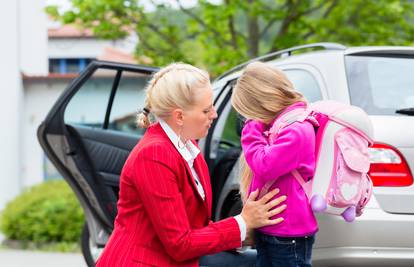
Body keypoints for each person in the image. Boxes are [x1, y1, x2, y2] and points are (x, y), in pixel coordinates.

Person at [96, 63, 287, 267]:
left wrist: (246, 234)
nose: (214, 114)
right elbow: (180, 244)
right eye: (206, 110)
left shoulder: (188, 147)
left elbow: (196, 228)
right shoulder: (153, 154)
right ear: (179, 116)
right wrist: (243, 222)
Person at [231, 61, 318, 267]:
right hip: (274, 227)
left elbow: (265, 166)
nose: (248, 118)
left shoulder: (297, 129)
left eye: (249, 112)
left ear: (260, 104)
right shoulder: (281, 126)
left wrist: (251, 127)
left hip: (288, 234)